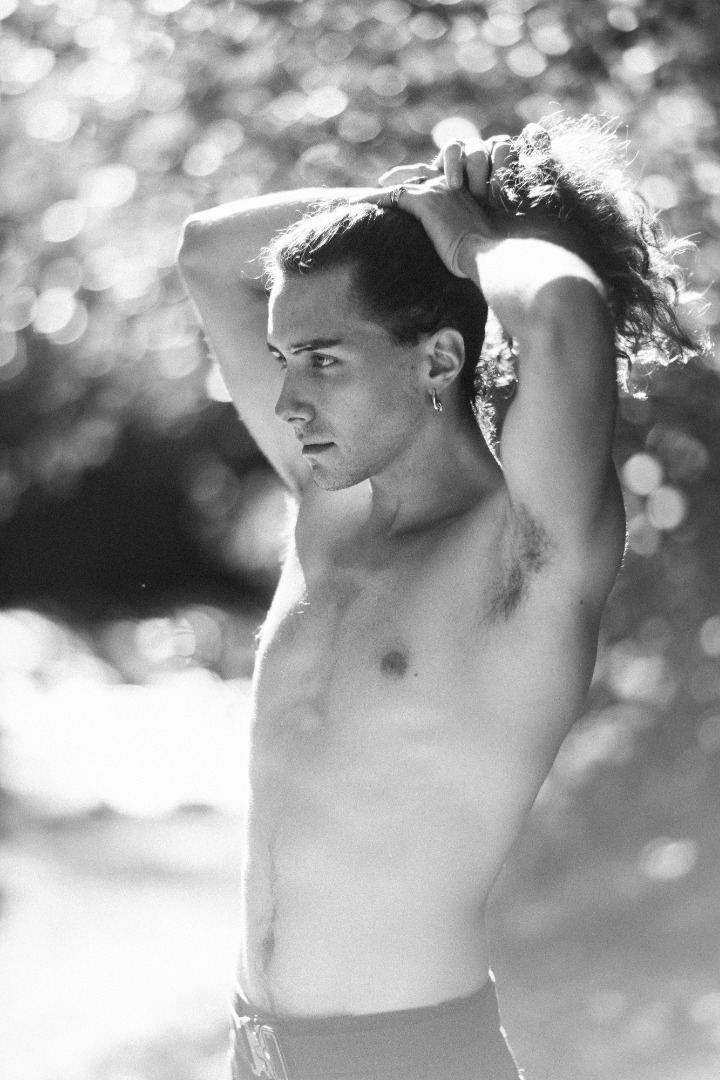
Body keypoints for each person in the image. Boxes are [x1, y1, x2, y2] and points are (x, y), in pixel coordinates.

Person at [177, 116, 699, 1080]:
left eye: (323, 359)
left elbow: (563, 311)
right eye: (284, 360)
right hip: (258, 1052)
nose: (287, 403)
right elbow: (208, 252)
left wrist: (466, 237)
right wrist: (407, 205)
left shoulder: (525, 557)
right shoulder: (332, 513)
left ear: (439, 361)